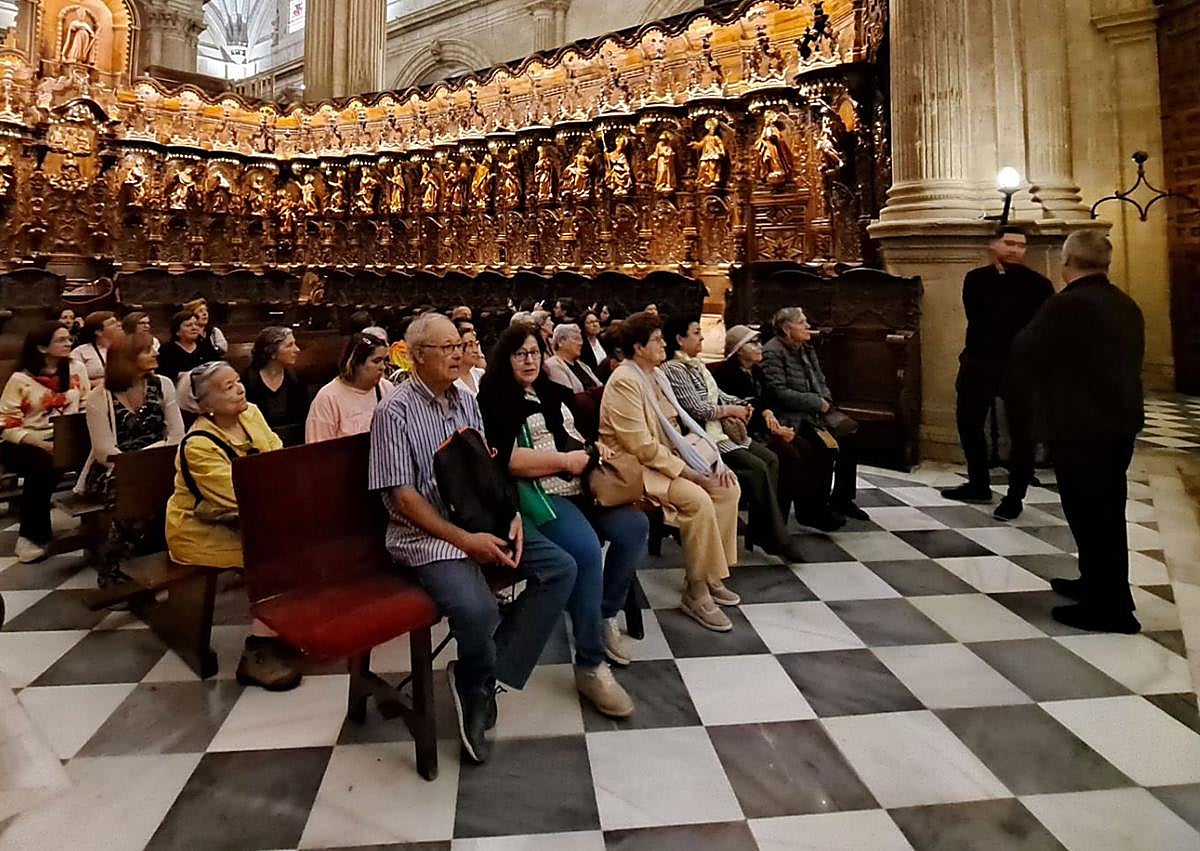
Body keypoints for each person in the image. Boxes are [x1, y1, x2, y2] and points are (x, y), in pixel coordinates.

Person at [368, 313, 594, 764]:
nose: (457, 354)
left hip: (480, 518)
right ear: (415, 357)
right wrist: (464, 541)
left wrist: (509, 514)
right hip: (425, 534)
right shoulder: (394, 411)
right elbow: (403, 497)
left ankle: (484, 672)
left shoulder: (466, 400)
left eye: (458, 346)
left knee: (560, 567)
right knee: (478, 607)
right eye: (445, 347)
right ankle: (475, 688)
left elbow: (489, 470)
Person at [478, 326, 640, 702]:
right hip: (542, 493)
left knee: (633, 526)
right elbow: (508, 461)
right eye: (520, 354)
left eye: (535, 352)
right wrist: (566, 460)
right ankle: (590, 663)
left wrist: (594, 450)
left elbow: (577, 433)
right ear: (505, 358)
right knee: (584, 552)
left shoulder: (553, 392)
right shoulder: (495, 399)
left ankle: (602, 614)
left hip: (583, 485)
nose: (530, 360)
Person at [1011, 230, 1144, 634]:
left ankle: (1112, 608)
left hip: (1081, 425)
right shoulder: (1125, 303)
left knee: (1091, 515)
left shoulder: (1067, 305)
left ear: (1068, 262)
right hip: (1116, 423)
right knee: (1104, 510)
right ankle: (1097, 583)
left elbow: (1025, 349)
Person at [599, 312, 742, 632]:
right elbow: (640, 446)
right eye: (658, 340)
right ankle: (697, 591)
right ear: (638, 347)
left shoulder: (657, 375)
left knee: (727, 488)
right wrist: (690, 474)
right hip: (638, 470)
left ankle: (710, 574)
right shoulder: (625, 380)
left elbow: (678, 427)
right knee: (698, 499)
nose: (664, 344)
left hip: (668, 460)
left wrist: (707, 462)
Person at [165, 361, 297, 689]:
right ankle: (257, 653)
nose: (240, 388)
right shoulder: (198, 445)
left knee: (300, 544)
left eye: (238, 381)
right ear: (205, 405)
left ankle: (285, 625)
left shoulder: (250, 413)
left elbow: (276, 455)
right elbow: (237, 495)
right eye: (228, 387)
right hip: (199, 529)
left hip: (251, 517)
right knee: (271, 558)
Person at [663, 317, 804, 562]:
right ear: (680, 339)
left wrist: (742, 405)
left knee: (771, 459)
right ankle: (774, 537)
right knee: (759, 467)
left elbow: (719, 394)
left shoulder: (696, 363)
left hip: (720, 430)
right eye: (696, 333)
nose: (702, 337)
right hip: (704, 439)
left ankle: (763, 531)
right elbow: (698, 410)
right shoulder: (675, 368)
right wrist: (731, 411)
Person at [941, 227, 1054, 520]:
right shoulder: (976, 279)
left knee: (1021, 432)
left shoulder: (1039, 285)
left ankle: (1015, 496)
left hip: (1019, 367)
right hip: (979, 361)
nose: (1015, 249)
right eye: (1009, 243)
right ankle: (979, 483)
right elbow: (978, 317)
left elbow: (1039, 327)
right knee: (969, 423)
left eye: (1021, 245)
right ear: (993, 245)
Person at [83, 333, 184, 588]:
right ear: (127, 359)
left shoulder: (163, 385)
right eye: (146, 350)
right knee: (130, 492)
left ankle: (165, 562)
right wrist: (137, 466)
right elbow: (104, 451)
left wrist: (151, 459)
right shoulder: (99, 397)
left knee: (174, 489)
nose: (155, 354)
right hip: (116, 469)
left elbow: (177, 435)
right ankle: (113, 570)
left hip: (160, 463)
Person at [761, 306, 866, 526]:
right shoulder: (773, 351)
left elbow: (820, 380)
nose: (808, 326)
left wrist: (824, 399)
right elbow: (778, 391)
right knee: (823, 448)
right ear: (787, 329)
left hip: (816, 412)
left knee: (851, 437)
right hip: (793, 416)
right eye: (802, 322)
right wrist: (816, 402)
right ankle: (813, 510)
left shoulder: (806, 348)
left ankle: (842, 498)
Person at [0, 323, 90, 562]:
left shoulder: (76, 369)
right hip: (25, 441)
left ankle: (97, 524)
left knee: (98, 455)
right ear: (42, 347)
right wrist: (42, 444)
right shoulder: (20, 379)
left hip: (66, 437)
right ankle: (32, 535)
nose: (69, 343)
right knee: (43, 466)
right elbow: (8, 425)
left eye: (68, 339)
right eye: (60, 340)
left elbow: (84, 405)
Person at [710, 325, 811, 534]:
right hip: (741, 433)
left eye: (759, 342)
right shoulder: (725, 373)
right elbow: (741, 411)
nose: (759, 347)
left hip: (763, 427)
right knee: (787, 455)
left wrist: (769, 414)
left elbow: (766, 400)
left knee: (805, 449)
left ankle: (784, 519)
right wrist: (772, 426)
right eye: (753, 343)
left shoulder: (756, 370)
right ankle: (769, 526)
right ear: (738, 349)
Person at [306, 332, 394, 443]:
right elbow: (318, 449)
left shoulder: (386, 388)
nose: (382, 367)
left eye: (385, 361)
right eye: (376, 361)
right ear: (355, 363)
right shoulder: (328, 398)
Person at [243, 327, 308, 446]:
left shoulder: (296, 378)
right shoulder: (249, 380)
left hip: (294, 443)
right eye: (289, 345)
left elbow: (303, 418)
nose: (297, 349)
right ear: (272, 353)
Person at [156, 310, 219, 382]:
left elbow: (218, 367)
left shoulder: (205, 346)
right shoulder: (167, 350)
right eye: (188, 325)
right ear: (177, 331)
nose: (194, 328)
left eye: (196, 324)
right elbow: (163, 376)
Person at [71, 310, 124, 388]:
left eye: (117, 322)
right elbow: (73, 382)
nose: (119, 324)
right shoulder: (80, 352)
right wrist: (98, 383)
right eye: (112, 323)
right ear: (99, 331)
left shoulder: (128, 349)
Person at [544, 324, 602, 393]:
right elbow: (570, 396)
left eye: (581, 339)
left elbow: (600, 386)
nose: (580, 343)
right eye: (576, 339)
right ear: (560, 342)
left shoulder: (583, 365)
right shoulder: (552, 365)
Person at [453, 325, 486, 396]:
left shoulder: (481, 375)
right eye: (470, 345)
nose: (475, 350)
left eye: (476, 345)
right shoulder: (451, 381)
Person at [579, 310, 610, 381]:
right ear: (583, 326)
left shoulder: (603, 340)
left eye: (596, 321)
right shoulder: (582, 345)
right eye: (590, 322)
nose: (595, 324)